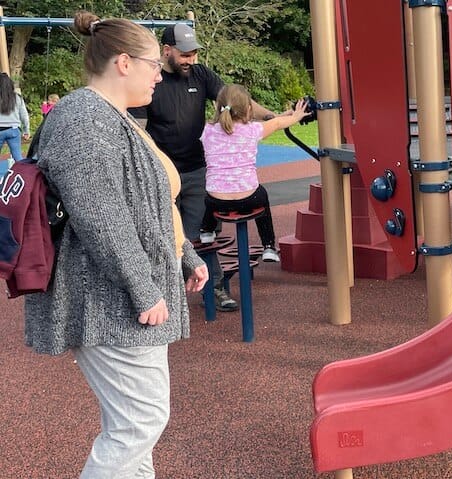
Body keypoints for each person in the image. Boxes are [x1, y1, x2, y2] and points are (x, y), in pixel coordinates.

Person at [24, 10, 209, 478]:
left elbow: (145, 202)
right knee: (138, 423)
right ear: (123, 63)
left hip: (118, 296)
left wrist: (182, 254)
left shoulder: (113, 117)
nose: (158, 75)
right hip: (106, 300)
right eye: (152, 65)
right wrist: (143, 287)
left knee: (133, 426)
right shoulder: (84, 118)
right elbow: (102, 216)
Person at [129, 23, 280, 312]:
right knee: (164, 235)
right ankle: (161, 293)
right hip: (164, 174)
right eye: (185, 54)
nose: (190, 60)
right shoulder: (151, 80)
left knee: (200, 236)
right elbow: (139, 131)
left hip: (199, 171)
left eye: (194, 53)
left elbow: (237, 103)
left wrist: (274, 116)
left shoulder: (200, 74)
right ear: (167, 51)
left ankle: (216, 286)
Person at [199, 85, 310, 261]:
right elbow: (276, 123)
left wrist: (284, 114)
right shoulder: (253, 130)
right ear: (249, 109)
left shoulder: (207, 130)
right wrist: (295, 115)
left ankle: (207, 230)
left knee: (209, 194)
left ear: (217, 107)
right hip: (249, 198)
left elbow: (274, 121)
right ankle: (269, 246)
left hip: (216, 201)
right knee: (263, 196)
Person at [0, 72, 30, 169]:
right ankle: (24, 177)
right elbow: (24, 116)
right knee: (18, 157)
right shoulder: (17, 97)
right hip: (13, 129)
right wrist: (26, 131)